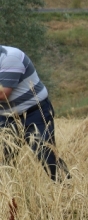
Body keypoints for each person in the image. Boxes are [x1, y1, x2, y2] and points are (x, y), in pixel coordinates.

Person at [0, 46, 69, 181]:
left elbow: (3, 94)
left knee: (46, 156)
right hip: (7, 118)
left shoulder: (10, 57)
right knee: (4, 160)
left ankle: (68, 190)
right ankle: (10, 198)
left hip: (35, 112)